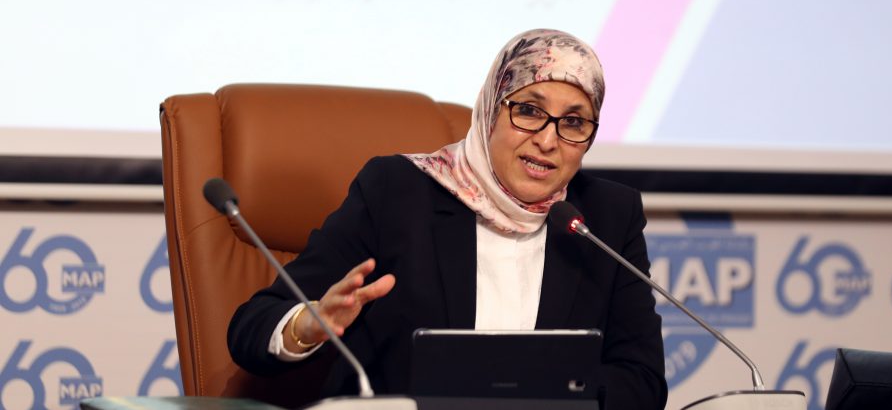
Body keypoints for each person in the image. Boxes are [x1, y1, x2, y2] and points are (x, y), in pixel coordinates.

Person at [228, 28, 667, 410]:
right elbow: (253, 326)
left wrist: (547, 393)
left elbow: (643, 381)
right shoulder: (397, 194)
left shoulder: (606, 218)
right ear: (492, 109)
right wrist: (308, 325)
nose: (548, 140)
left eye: (573, 122)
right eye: (529, 111)